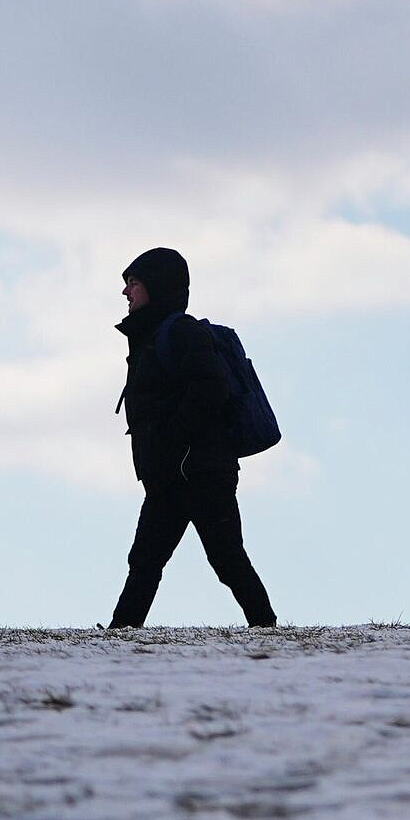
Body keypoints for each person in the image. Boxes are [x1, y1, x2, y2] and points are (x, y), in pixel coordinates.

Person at [108, 247, 278, 628]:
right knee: (145, 560)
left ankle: (266, 629)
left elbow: (210, 388)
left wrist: (173, 437)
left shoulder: (181, 333)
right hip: (170, 476)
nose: (125, 293)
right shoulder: (150, 337)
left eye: (132, 283)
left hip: (199, 472)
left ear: (156, 286)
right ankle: (121, 634)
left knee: (227, 559)